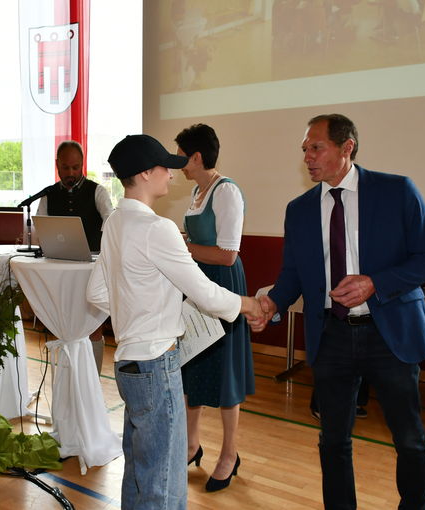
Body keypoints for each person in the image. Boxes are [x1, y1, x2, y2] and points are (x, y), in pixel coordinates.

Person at [252, 114, 425, 509]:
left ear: (347, 148)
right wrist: (273, 303)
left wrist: (376, 282)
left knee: (408, 437)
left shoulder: (397, 191)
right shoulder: (300, 209)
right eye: (304, 149)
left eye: (315, 147)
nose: (307, 156)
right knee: (333, 441)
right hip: (332, 337)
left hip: (388, 333)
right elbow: (292, 274)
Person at [87, 134, 262, 510]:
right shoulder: (158, 229)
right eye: (165, 167)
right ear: (146, 174)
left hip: (127, 364)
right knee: (162, 482)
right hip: (156, 363)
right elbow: (205, 292)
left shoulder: (115, 223)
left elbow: (97, 294)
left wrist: (139, 308)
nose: (171, 173)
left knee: (139, 470)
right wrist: (249, 304)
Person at [174, 123, 254, 492]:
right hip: (197, 285)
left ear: (197, 156)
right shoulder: (196, 190)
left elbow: (227, 255)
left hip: (221, 285)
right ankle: (192, 444)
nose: (178, 164)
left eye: (181, 157)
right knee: (193, 365)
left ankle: (229, 453)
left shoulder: (227, 191)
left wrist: (181, 248)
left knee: (224, 373)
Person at [36, 140, 113, 374]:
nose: (71, 173)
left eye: (76, 167)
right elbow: (40, 226)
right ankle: (70, 378)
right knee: (65, 327)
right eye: (66, 167)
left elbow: (112, 222)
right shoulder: (48, 195)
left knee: (94, 327)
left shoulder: (97, 191)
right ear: (57, 165)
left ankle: (93, 380)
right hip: (60, 273)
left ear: (82, 165)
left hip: (92, 271)